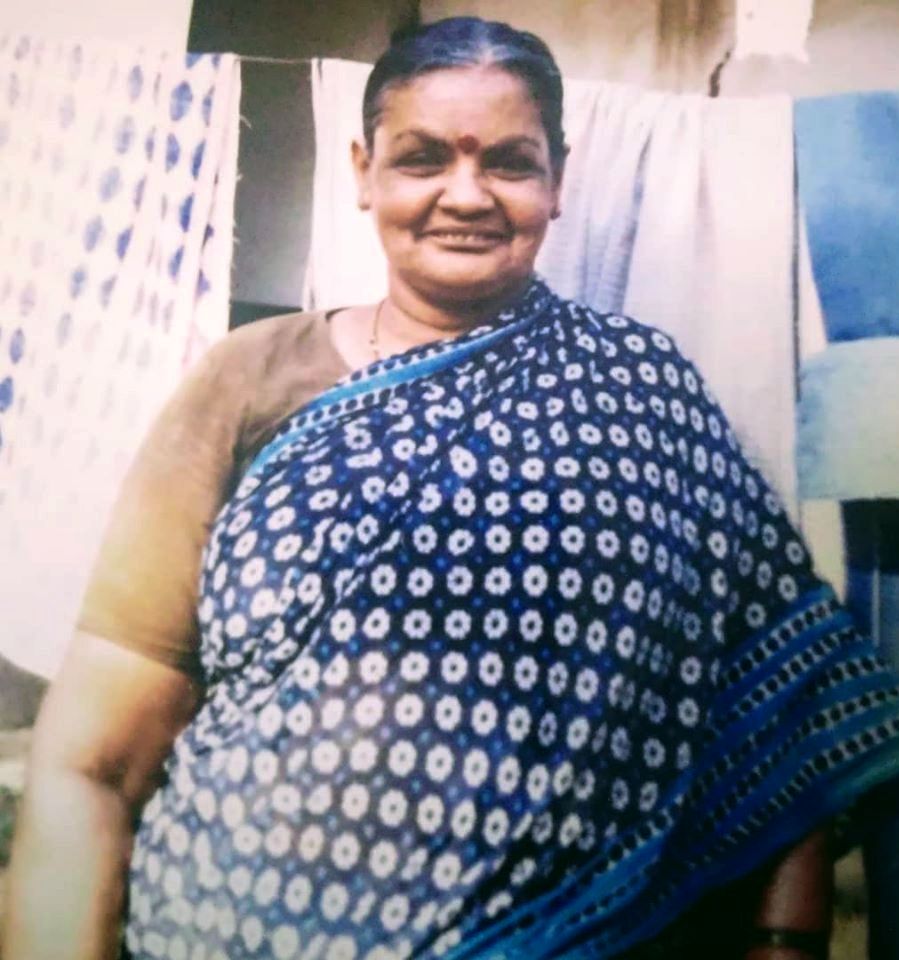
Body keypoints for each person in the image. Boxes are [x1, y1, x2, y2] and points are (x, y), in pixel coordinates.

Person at [4, 16, 899, 960]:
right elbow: (93, 761)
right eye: (422, 158)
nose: (465, 195)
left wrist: (782, 942)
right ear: (363, 172)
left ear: (558, 180)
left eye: (508, 162)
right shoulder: (249, 377)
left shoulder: (643, 391)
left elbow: (785, 703)